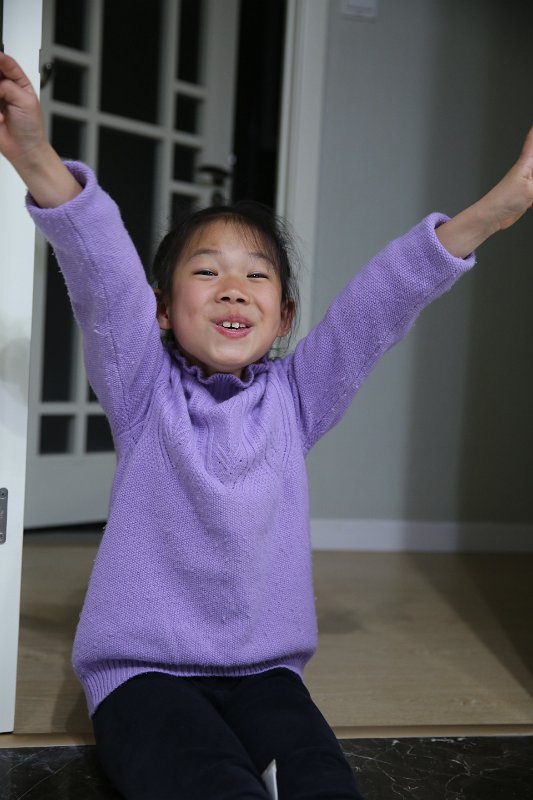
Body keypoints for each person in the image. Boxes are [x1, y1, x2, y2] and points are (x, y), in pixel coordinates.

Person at [1, 51, 532, 800]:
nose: (233, 287)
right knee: (211, 783)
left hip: (266, 675)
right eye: (205, 271)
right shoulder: (142, 388)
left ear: (283, 318)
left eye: (256, 274)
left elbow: (377, 306)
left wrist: (496, 210)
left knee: (321, 783)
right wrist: (35, 156)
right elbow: (102, 274)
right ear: (161, 310)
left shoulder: (297, 397)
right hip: (142, 675)